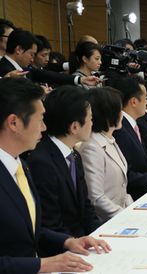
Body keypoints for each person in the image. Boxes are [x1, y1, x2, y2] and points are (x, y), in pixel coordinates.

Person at [0, 77, 110, 274]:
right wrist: (42, 264)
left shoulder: (20, 165)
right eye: (40, 119)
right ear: (14, 123)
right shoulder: (36, 162)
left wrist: (68, 241)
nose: (44, 127)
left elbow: (31, 230)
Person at [28, 86, 101, 239]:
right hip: (63, 248)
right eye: (91, 119)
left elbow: (86, 207)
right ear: (74, 126)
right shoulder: (42, 162)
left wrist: (101, 235)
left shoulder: (73, 154)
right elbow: (51, 223)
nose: (92, 124)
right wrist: (78, 244)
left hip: (82, 240)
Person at [78, 87, 133, 222]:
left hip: (122, 213)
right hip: (107, 220)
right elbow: (96, 197)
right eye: (119, 110)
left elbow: (122, 189)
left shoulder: (110, 140)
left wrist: (133, 209)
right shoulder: (92, 147)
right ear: (109, 113)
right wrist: (126, 215)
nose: (122, 114)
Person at [0, 29, 100, 86]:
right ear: (19, 50)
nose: (32, 59)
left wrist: (81, 80)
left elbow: (50, 75)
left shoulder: (25, 69)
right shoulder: (4, 70)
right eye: (31, 54)